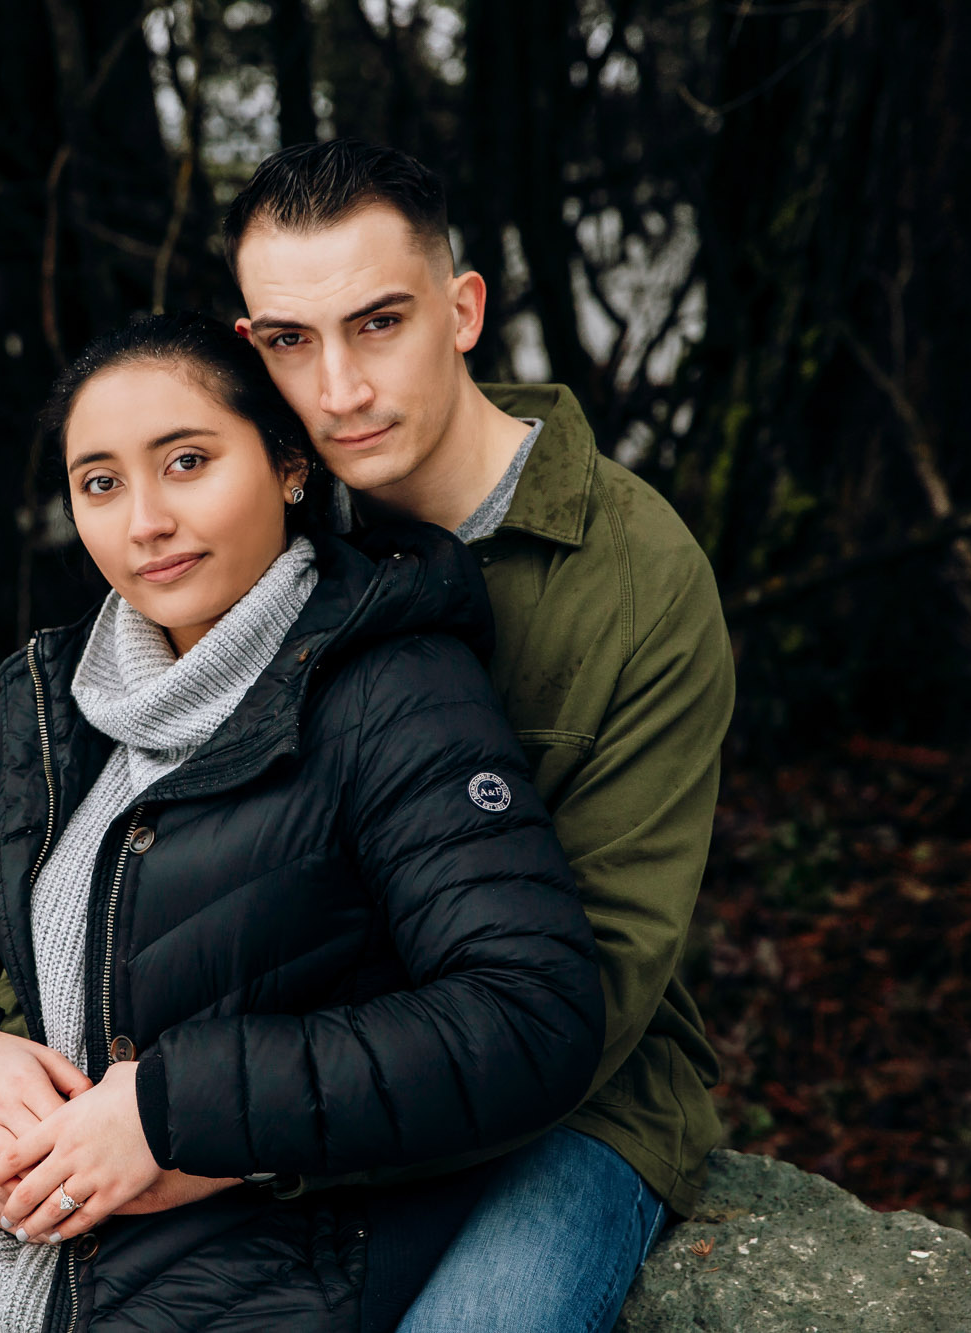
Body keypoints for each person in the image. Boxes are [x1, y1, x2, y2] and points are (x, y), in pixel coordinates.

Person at [0, 311, 603, 1332]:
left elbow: (527, 1012)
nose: (144, 520)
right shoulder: (44, 707)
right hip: (59, 1212)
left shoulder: (392, 683)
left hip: (289, 1224)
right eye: (101, 483)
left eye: (187, 461)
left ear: (289, 464)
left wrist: (171, 1112)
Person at [215, 139, 736, 1333]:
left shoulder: (639, 575)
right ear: (250, 349)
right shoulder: (244, 533)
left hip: (560, 1104)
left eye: (378, 323)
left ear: (461, 311)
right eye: (292, 341)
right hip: (265, 1089)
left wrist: (245, 1133)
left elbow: (596, 978)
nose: (338, 387)